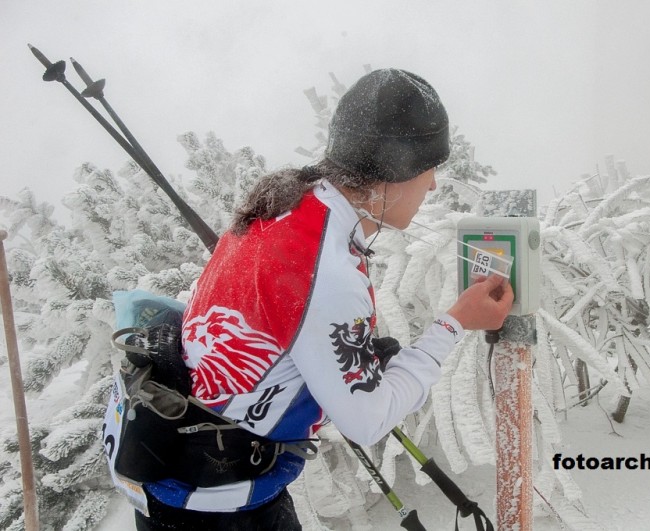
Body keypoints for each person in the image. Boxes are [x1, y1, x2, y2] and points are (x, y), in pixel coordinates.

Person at [134, 68, 514, 530]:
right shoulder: (323, 267)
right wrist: (455, 322)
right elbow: (366, 421)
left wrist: (342, 354)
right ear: (396, 172)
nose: (433, 185)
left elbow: (276, 323)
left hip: (190, 483)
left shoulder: (288, 206)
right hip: (218, 511)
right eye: (430, 168)